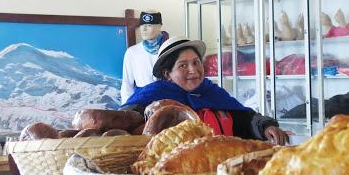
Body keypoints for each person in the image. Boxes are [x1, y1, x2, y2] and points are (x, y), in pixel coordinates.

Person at [122, 36, 290, 145]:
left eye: (196, 62)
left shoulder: (213, 93)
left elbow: (245, 119)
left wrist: (266, 127)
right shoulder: (151, 97)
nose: (193, 70)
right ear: (167, 74)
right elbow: (125, 125)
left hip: (224, 172)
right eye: (183, 65)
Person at [120, 10, 169, 103]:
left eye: (149, 25)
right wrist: (126, 110)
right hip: (141, 101)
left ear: (159, 26)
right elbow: (127, 86)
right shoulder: (132, 52)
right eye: (142, 25)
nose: (144, 29)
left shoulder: (170, 48)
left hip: (168, 99)